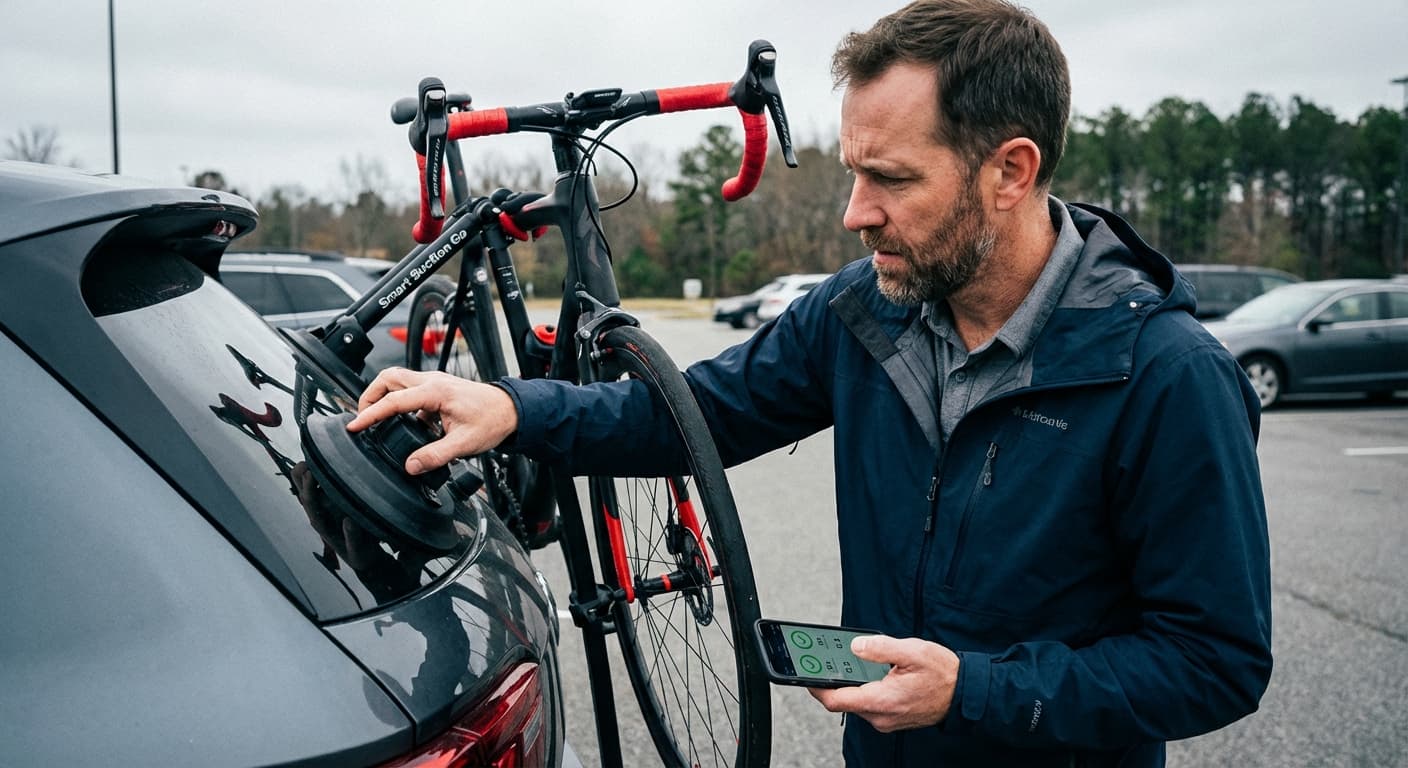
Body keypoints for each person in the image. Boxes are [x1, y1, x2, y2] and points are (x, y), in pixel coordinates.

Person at [347, 0, 1273, 764]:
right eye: (851, 171)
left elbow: (1213, 660)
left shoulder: (1167, 376)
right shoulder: (860, 313)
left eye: (891, 178)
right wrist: (513, 406)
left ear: (1011, 172)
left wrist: (974, 691)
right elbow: (687, 417)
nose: (854, 213)